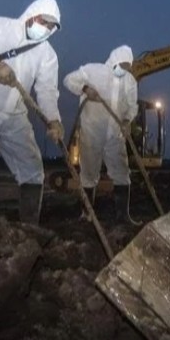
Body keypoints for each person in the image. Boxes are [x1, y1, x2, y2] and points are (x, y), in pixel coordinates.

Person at [0, 0, 63, 233]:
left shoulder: (47, 55)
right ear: (32, 15)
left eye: (52, 26)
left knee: (33, 169)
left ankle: (29, 232)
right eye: (45, 22)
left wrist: (54, 119)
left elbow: (47, 91)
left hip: (14, 113)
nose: (47, 29)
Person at [63, 45, 138, 225]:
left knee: (121, 172)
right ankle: (86, 214)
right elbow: (68, 80)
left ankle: (123, 216)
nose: (124, 70)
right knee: (88, 174)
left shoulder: (130, 81)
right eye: (123, 65)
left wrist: (127, 121)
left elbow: (132, 106)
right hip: (92, 132)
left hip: (115, 135)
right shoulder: (92, 71)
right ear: (114, 60)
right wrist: (85, 88)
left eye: (128, 67)